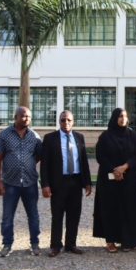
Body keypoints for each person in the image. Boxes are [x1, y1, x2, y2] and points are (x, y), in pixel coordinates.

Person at [93, 108, 136, 253]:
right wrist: (114, 169)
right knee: (110, 208)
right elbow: (100, 156)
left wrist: (124, 167)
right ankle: (110, 241)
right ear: (114, 118)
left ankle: (127, 240)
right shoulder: (105, 136)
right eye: (119, 116)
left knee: (128, 208)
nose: (122, 119)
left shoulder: (134, 136)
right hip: (108, 179)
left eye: (125, 116)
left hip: (129, 178)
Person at [40, 110, 92, 257]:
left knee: (74, 214)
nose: (66, 123)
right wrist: (45, 184)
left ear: (73, 121)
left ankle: (71, 244)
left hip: (75, 181)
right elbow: (44, 164)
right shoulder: (50, 138)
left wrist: (87, 182)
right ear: (59, 121)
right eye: (63, 120)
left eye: (69, 120)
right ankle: (55, 245)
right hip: (58, 182)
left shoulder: (79, 137)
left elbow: (83, 161)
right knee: (57, 215)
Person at [0, 107, 42, 257]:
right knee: (8, 216)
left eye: (29, 117)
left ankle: (35, 244)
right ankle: (7, 245)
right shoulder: (4, 135)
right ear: (15, 117)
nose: (26, 119)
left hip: (30, 183)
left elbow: (38, 156)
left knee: (33, 215)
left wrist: (28, 164)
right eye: (23, 116)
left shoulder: (34, 136)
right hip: (10, 183)